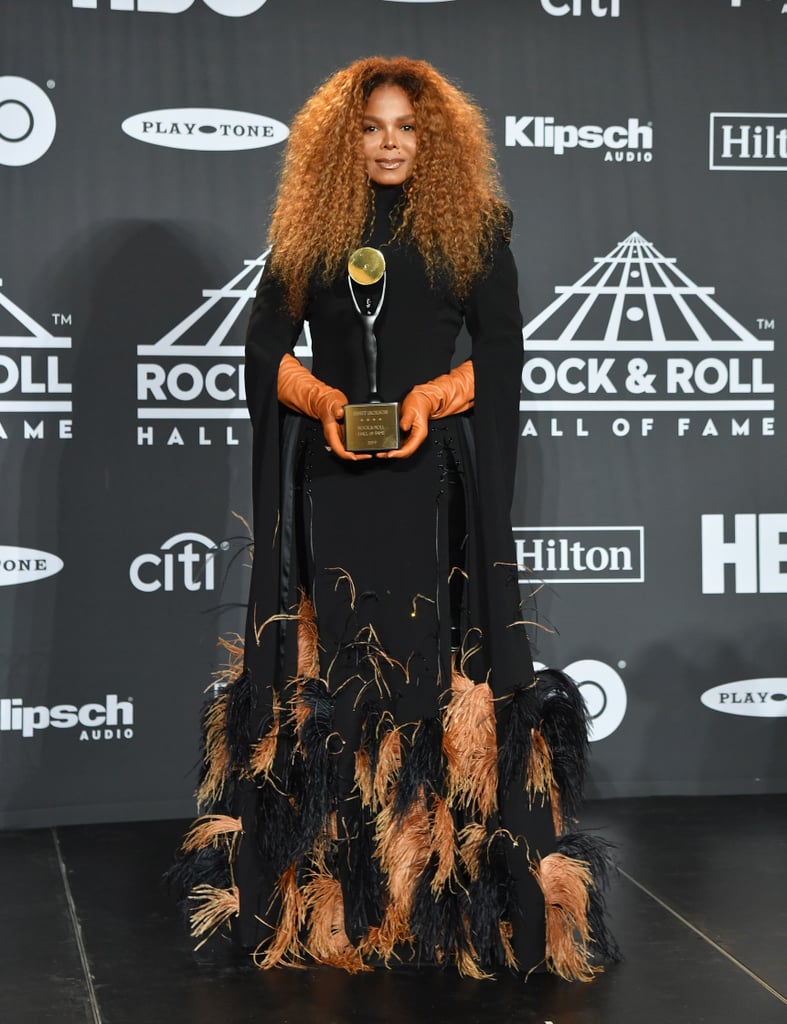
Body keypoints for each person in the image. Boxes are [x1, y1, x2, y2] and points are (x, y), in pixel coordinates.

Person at [173, 56, 618, 981]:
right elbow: (264, 346)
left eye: (405, 128)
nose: (387, 143)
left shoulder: (478, 226)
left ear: (434, 138)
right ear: (347, 139)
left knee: (428, 674)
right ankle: (342, 902)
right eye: (371, 127)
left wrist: (434, 400)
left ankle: (441, 900)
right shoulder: (307, 228)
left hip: (431, 485)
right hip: (335, 486)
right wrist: (323, 400)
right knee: (341, 672)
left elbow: (504, 350)